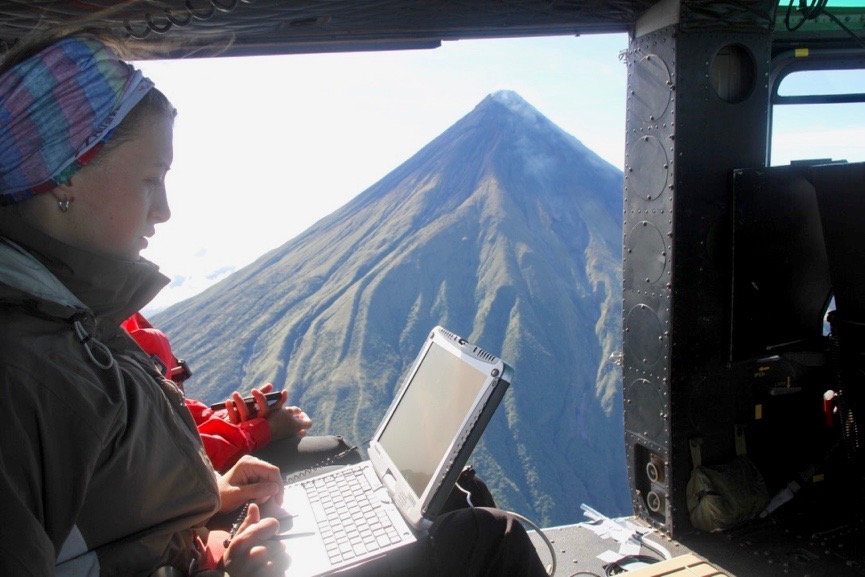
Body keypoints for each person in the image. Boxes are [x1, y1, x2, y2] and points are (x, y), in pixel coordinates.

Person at [0, 30, 549, 577]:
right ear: (63, 175)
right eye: (151, 179)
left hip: (206, 544)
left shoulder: (70, 318)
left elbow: (104, 519)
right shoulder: (26, 368)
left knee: (457, 495)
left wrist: (213, 498)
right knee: (488, 535)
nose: (163, 210)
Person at [122, 312, 360, 474]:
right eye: (178, 375)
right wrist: (264, 429)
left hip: (195, 468)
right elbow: (167, 451)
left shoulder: (110, 312)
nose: (152, 233)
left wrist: (233, 420)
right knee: (337, 452)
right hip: (189, 487)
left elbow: (174, 411)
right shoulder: (98, 329)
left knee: (335, 449)